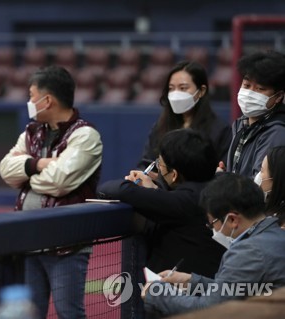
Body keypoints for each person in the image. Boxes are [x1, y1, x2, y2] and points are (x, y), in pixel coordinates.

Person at [0, 65, 102, 319]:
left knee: (69, 313)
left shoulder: (86, 135)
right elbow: (4, 169)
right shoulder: (32, 132)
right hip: (31, 240)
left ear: (47, 100)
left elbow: (59, 182)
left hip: (67, 244)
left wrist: (26, 177)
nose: (28, 102)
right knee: (30, 314)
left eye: (31, 95)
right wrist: (36, 165)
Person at [142, 173, 285, 317]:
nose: (214, 230)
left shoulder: (248, 252)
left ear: (232, 220)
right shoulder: (276, 235)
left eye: (212, 223)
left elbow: (208, 311)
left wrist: (157, 293)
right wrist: (191, 282)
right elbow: (234, 289)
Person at [98, 128, 226, 278]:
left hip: (180, 293)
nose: (157, 168)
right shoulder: (221, 185)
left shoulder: (184, 202)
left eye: (160, 165)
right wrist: (155, 189)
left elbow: (115, 189)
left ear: (174, 175)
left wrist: (150, 191)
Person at [138, 60, 231, 173]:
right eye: (171, 88)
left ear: (201, 91)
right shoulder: (160, 127)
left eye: (183, 88)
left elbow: (222, 170)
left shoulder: (220, 130)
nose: (176, 94)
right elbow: (147, 164)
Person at [225, 50, 285, 179]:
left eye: (260, 89)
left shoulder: (277, 132)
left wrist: (223, 181)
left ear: (278, 96)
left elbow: (260, 186)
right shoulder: (241, 124)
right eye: (246, 85)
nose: (250, 93)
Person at [255, 146, 285, 228]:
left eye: (261, 170)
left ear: (275, 178)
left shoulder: (281, 227)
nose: (258, 175)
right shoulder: (271, 207)